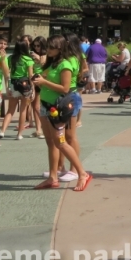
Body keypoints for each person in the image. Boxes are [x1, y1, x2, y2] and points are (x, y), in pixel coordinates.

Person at [32, 35, 91, 191]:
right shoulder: (53, 63)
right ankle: (53, 177)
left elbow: (65, 88)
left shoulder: (65, 64)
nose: (48, 50)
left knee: (61, 142)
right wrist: (39, 75)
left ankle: (81, 173)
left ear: (60, 48)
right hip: (46, 105)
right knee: (51, 142)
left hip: (57, 107)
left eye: (51, 48)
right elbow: (44, 76)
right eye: (48, 47)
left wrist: (44, 82)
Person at [0, 39, 34, 140]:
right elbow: (31, 76)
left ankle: (2, 131)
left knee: (10, 111)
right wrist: (33, 89)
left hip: (13, 84)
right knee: (23, 111)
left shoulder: (11, 58)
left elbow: (7, 74)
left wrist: (7, 87)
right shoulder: (28, 59)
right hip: (25, 85)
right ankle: (19, 134)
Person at [28, 36, 47, 138]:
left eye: (38, 46)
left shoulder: (45, 53)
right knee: (34, 106)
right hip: (33, 80)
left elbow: (44, 63)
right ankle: (38, 129)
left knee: (39, 107)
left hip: (43, 80)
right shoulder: (32, 54)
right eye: (34, 46)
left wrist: (37, 57)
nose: (36, 48)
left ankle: (45, 127)